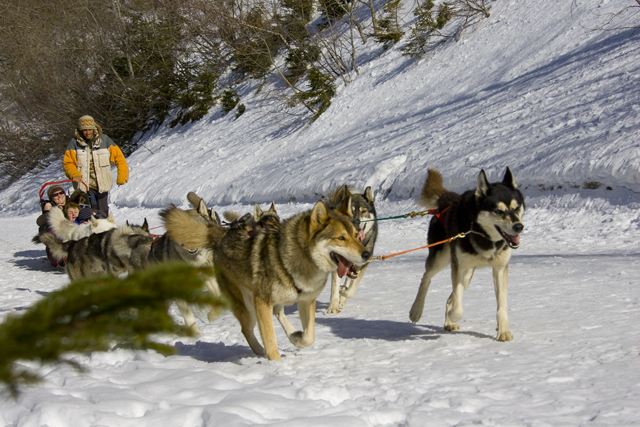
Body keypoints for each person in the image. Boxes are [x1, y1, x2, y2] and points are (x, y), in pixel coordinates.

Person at [63, 115, 129, 218]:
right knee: (86, 214)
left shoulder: (105, 140)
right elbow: (68, 163)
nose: (88, 132)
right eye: (84, 130)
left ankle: (102, 232)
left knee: (102, 213)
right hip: (84, 186)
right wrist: (74, 174)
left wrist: (122, 177)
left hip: (102, 185)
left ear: (94, 128)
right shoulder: (74, 143)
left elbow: (120, 159)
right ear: (80, 131)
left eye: (90, 129)